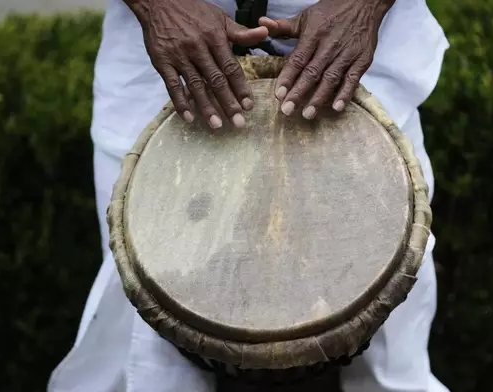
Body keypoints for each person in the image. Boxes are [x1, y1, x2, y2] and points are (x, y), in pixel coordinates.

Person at [47, 0, 450, 391]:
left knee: (392, 356)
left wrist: (366, 7)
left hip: (354, 51)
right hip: (167, 59)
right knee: (149, 359)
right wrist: (158, 7)